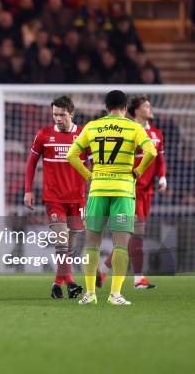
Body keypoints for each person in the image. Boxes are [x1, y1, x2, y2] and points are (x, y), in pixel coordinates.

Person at [66, 90, 157, 306]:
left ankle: (89, 294)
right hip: (123, 190)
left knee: (91, 244)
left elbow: (71, 155)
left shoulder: (92, 126)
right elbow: (151, 152)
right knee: (121, 245)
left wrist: (89, 175)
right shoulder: (134, 127)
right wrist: (139, 171)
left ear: (106, 108)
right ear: (126, 108)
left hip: (98, 189)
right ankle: (115, 294)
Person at [99, 96, 167, 289]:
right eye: (146, 106)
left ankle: (103, 272)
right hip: (131, 189)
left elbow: (160, 160)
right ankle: (137, 279)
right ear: (136, 111)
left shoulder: (156, 134)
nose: (150, 108)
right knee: (135, 235)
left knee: (131, 236)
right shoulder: (127, 131)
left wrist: (162, 177)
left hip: (147, 192)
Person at [24, 96, 85, 299]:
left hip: (78, 198)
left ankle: (57, 284)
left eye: (62, 114)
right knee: (61, 240)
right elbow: (31, 163)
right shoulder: (44, 135)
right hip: (54, 198)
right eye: (55, 114)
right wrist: (28, 190)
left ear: (72, 114)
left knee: (71, 244)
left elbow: (93, 165)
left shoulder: (84, 135)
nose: (57, 118)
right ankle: (71, 282)